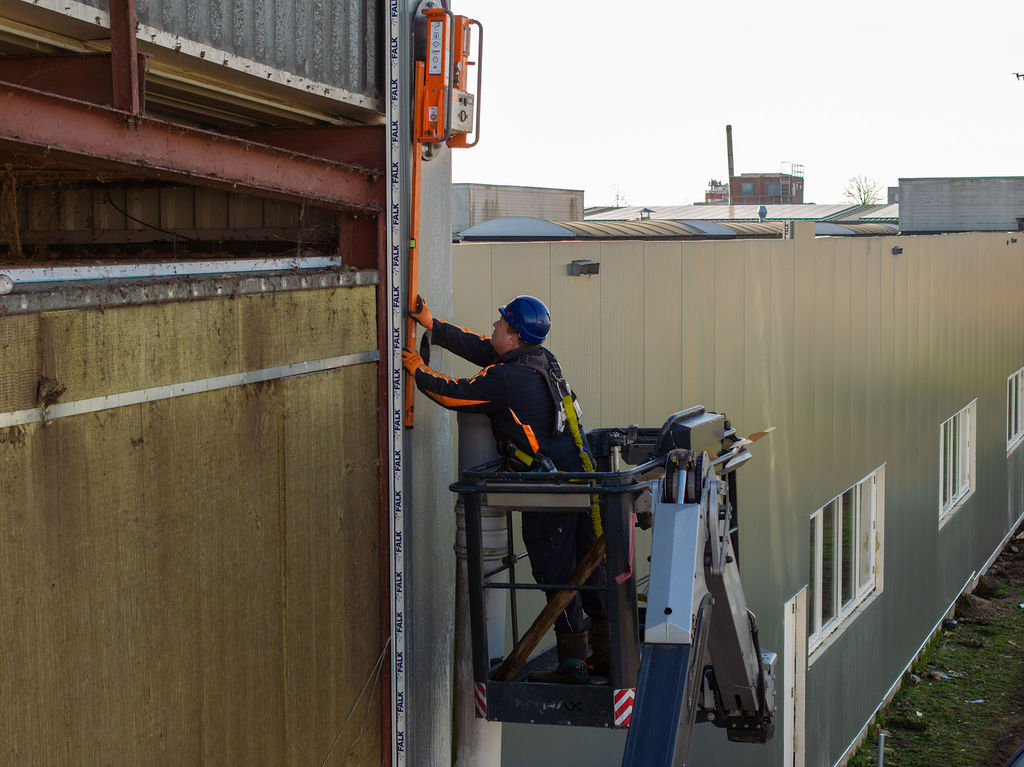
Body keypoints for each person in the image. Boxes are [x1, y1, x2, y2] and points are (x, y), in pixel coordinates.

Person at [402, 294, 610, 684]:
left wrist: (418, 370)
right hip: (580, 480)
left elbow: (455, 393)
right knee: (589, 566)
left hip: (550, 492)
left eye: (500, 324)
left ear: (514, 337)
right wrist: (434, 326)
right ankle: (608, 652)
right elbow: (485, 348)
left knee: (557, 573)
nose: (494, 326)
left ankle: (572, 665)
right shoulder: (540, 360)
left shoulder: (507, 380)